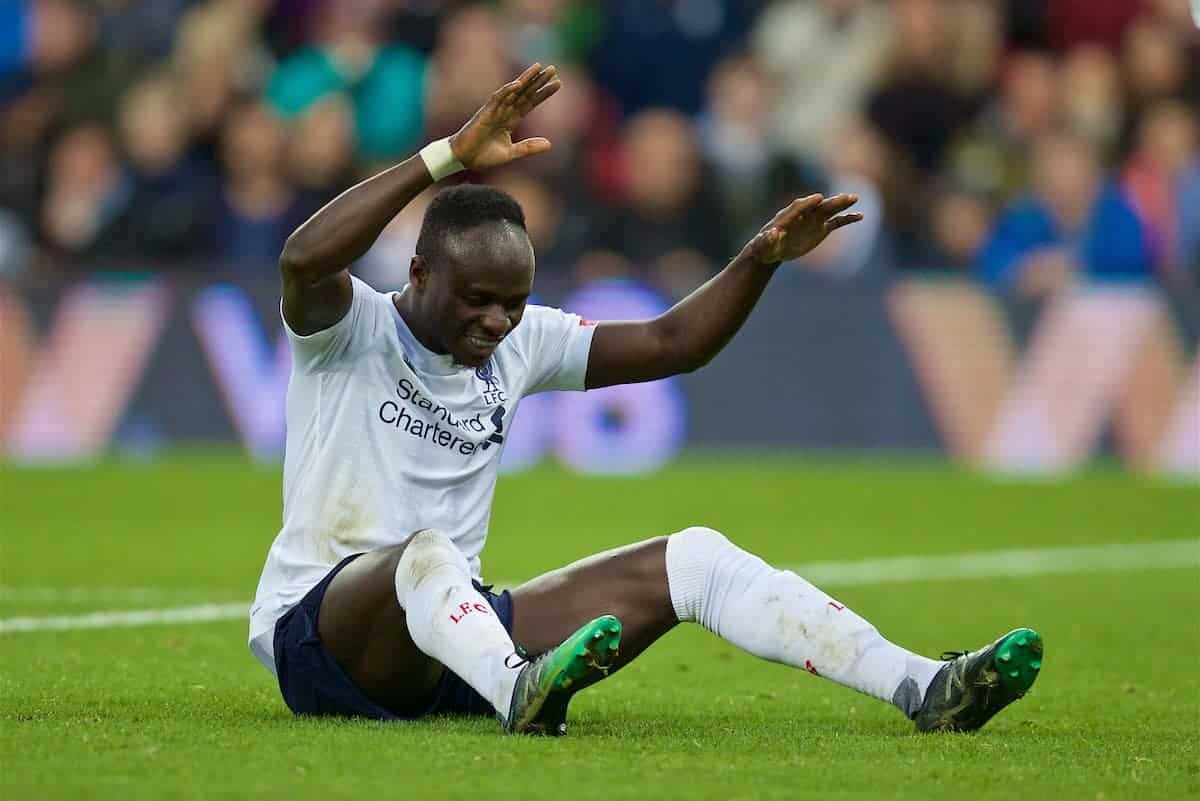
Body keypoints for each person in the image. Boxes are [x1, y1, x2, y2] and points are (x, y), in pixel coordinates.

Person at [249, 64, 1044, 735]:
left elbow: (673, 343)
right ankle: (518, 689)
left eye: (514, 302)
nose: (497, 321)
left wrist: (760, 259)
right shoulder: (348, 330)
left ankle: (923, 687)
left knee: (692, 555)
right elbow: (302, 258)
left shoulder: (522, 342)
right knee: (425, 552)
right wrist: (447, 157)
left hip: (454, 644)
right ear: (419, 275)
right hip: (323, 639)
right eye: (478, 298)